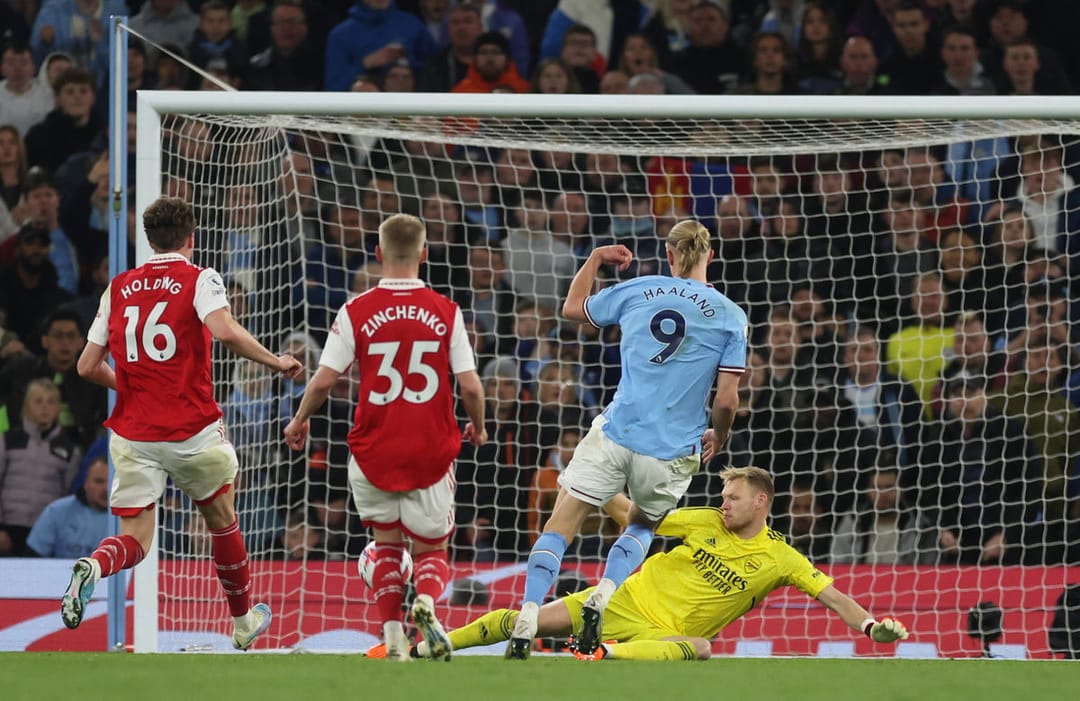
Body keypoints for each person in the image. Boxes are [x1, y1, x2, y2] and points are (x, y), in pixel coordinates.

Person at [62, 196, 303, 652]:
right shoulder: (200, 278)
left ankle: (92, 567)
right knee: (222, 521)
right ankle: (243, 620)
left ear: (149, 240)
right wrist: (276, 361)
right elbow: (226, 330)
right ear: (191, 238)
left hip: (132, 434)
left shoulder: (118, 287)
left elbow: (86, 366)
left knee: (135, 540)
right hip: (191, 430)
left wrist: (131, 388)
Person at [507, 220, 748, 660]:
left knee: (564, 518)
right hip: (673, 448)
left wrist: (597, 258)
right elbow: (728, 399)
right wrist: (722, 434)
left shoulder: (639, 289)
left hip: (617, 431)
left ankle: (528, 610)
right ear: (709, 256)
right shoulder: (731, 315)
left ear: (670, 254)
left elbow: (573, 308)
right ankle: (603, 592)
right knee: (640, 524)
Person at [370, 467, 909, 661]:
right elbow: (636, 514)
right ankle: (417, 648)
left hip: (661, 633)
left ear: (761, 503)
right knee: (525, 619)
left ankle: (602, 652)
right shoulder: (701, 520)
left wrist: (869, 625)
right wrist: (595, 487)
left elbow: (832, 594)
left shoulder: (781, 558)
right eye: (723, 497)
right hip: (619, 598)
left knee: (700, 647)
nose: (724, 504)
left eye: (734, 499)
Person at [283, 213, 487, 662]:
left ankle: (393, 633)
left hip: (374, 449)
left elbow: (321, 382)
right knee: (433, 547)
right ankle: (428, 604)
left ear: (377, 254)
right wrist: (480, 424)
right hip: (430, 448)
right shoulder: (445, 311)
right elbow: (471, 386)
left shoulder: (356, 309)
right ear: (424, 254)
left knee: (387, 545)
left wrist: (298, 421)